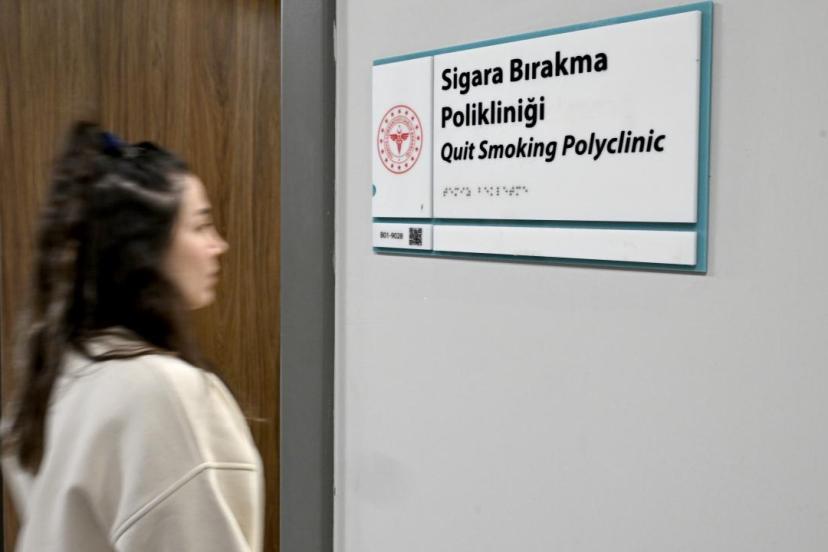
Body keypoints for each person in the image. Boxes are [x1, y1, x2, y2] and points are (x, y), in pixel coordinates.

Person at [1, 122, 264, 551]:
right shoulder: (160, 393)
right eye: (201, 225)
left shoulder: (65, 373)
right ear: (145, 250)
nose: (219, 245)